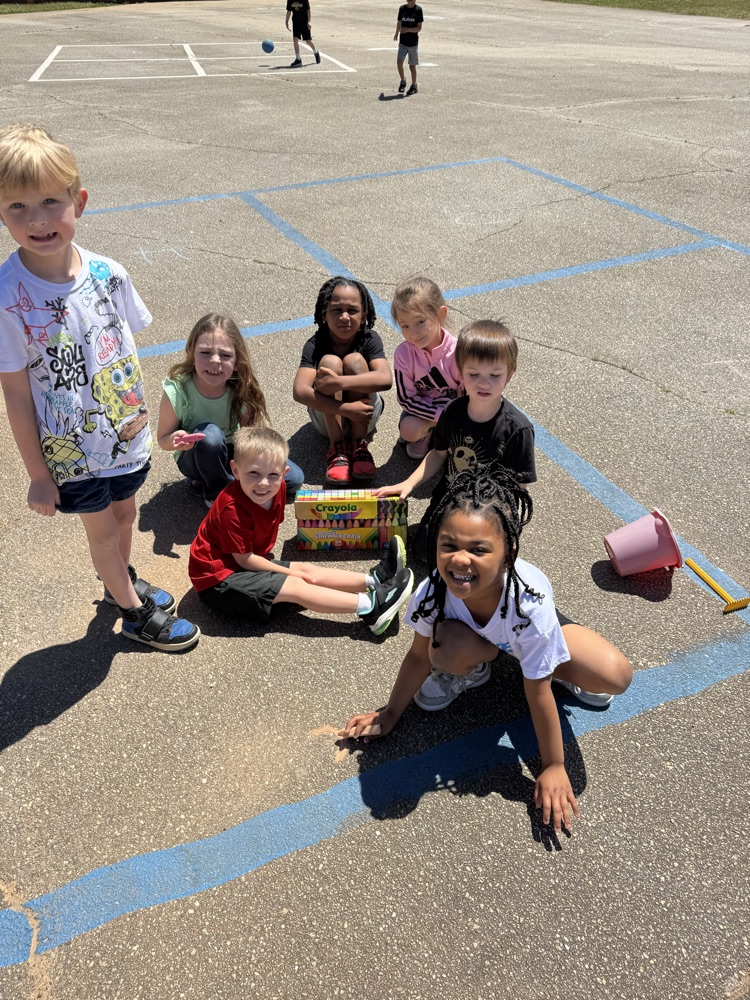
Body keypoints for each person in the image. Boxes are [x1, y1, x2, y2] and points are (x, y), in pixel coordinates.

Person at [342, 463, 633, 835]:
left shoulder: (529, 605)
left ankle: (548, 658)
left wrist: (553, 766)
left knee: (615, 676)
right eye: (449, 545)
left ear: (509, 554)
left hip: (524, 625)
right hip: (484, 640)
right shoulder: (433, 592)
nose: (460, 560)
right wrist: (390, 713)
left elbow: (537, 691)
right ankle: (476, 666)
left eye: (479, 549)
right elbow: (418, 655)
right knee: (444, 649)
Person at [0, 123, 199, 652]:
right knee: (103, 531)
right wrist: (38, 475)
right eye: (16, 207)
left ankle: (119, 583)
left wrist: (153, 427)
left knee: (126, 514)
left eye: (49, 201)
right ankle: (133, 613)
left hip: (124, 437)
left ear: (78, 201)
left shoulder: (111, 274)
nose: (37, 219)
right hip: (71, 453)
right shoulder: (7, 295)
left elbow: (123, 357)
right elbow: (17, 394)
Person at [189, 426, 414, 633]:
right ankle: (371, 608)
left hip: (241, 562)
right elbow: (245, 560)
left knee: (305, 569)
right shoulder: (231, 508)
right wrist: (289, 573)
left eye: (273, 475)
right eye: (254, 474)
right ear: (235, 470)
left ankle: (374, 581)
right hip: (217, 581)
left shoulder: (279, 488)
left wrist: (292, 570)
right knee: (297, 582)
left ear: (284, 472)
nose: (264, 483)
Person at [376, 319, 535, 561]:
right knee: (424, 552)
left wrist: (506, 530)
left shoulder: (518, 429)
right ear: (460, 372)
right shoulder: (452, 411)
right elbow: (438, 453)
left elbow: (518, 488)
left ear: (509, 374)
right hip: (450, 498)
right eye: (473, 374)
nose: (484, 382)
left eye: (494, 375)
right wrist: (408, 483)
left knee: (477, 561)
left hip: (489, 510)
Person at [156, 313, 304, 508]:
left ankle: (221, 478)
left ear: (236, 362)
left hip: (230, 450)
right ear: (190, 352)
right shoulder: (178, 390)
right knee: (210, 436)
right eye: (205, 352)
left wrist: (257, 468)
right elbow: (162, 440)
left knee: (293, 479)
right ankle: (215, 492)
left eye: (225, 355)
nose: (215, 361)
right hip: (194, 455)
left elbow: (248, 438)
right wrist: (175, 440)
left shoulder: (241, 387)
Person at [292, 276, 393, 486]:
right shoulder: (315, 344)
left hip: (364, 417)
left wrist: (339, 383)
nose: (345, 317)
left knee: (355, 361)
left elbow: (385, 379)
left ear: (364, 314)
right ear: (324, 314)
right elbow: (300, 391)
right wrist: (346, 408)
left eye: (352, 310)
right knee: (330, 361)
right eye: (336, 310)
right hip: (328, 423)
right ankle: (337, 450)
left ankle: (359, 447)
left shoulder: (369, 338)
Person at [391, 276, 463, 461]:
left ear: (441, 314)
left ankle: (443, 434)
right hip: (423, 412)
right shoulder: (403, 354)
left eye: (420, 322)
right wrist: (438, 417)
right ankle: (427, 433)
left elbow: (469, 394)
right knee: (409, 430)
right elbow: (406, 399)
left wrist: (454, 417)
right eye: (405, 325)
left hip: (455, 413)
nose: (413, 333)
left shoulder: (459, 351)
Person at [393, 0, 424, 96]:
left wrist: (407, 30)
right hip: (403, 42)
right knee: (399, 62)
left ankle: (414, 85)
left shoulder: (418, 10)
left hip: (413, 43)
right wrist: (396, 33)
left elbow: (418, 28)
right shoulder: (402, 8)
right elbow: (399, 22)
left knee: (412, 66)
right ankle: (403, 80)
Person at [286, 0, 321, 68]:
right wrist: (286, 21)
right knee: (295, 39)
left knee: (308, 41)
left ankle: (316, 52)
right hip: (296, 22)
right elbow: (289, 11)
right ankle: (298, 59)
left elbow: (308, 10)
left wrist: (309, 22)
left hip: (304, 22)